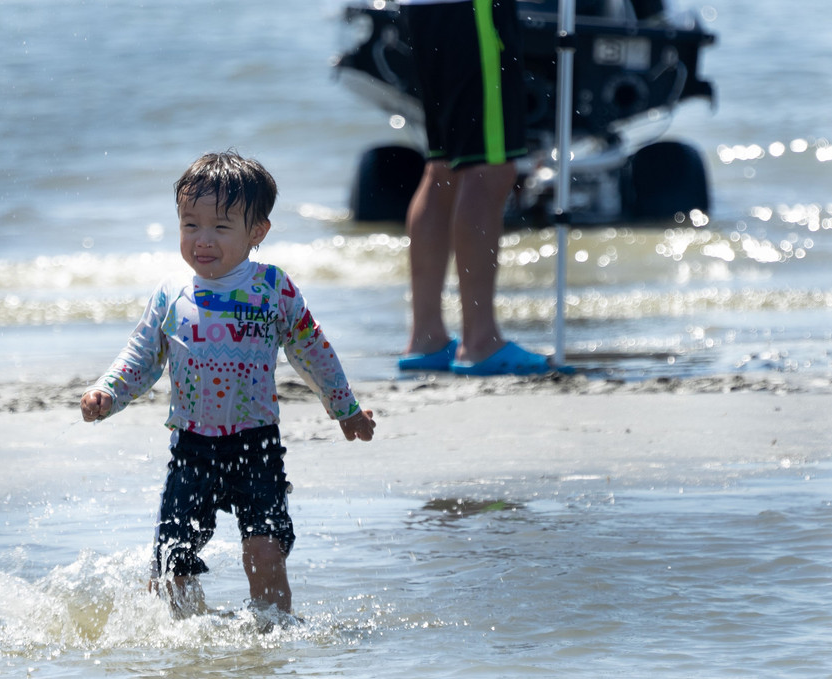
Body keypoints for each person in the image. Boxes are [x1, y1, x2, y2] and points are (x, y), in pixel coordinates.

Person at [80, 151, 376, 616]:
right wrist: (108, 391)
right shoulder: (171, 293)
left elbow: (313, 350)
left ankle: (271, 636)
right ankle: (188, 647)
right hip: (191, 449)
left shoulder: (272, 288)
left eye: (221, 226)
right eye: (190, 225)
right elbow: (141, 356)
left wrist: (346, 409)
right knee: (173, 564)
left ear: (256, 232)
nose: (203, 240)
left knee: (264, 553)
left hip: (256, 445)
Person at [396, 0, 553, 376]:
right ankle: (480, 341)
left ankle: (427, 338)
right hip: (471, 10)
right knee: (488, 168)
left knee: (444, 166)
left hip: (424, 9)